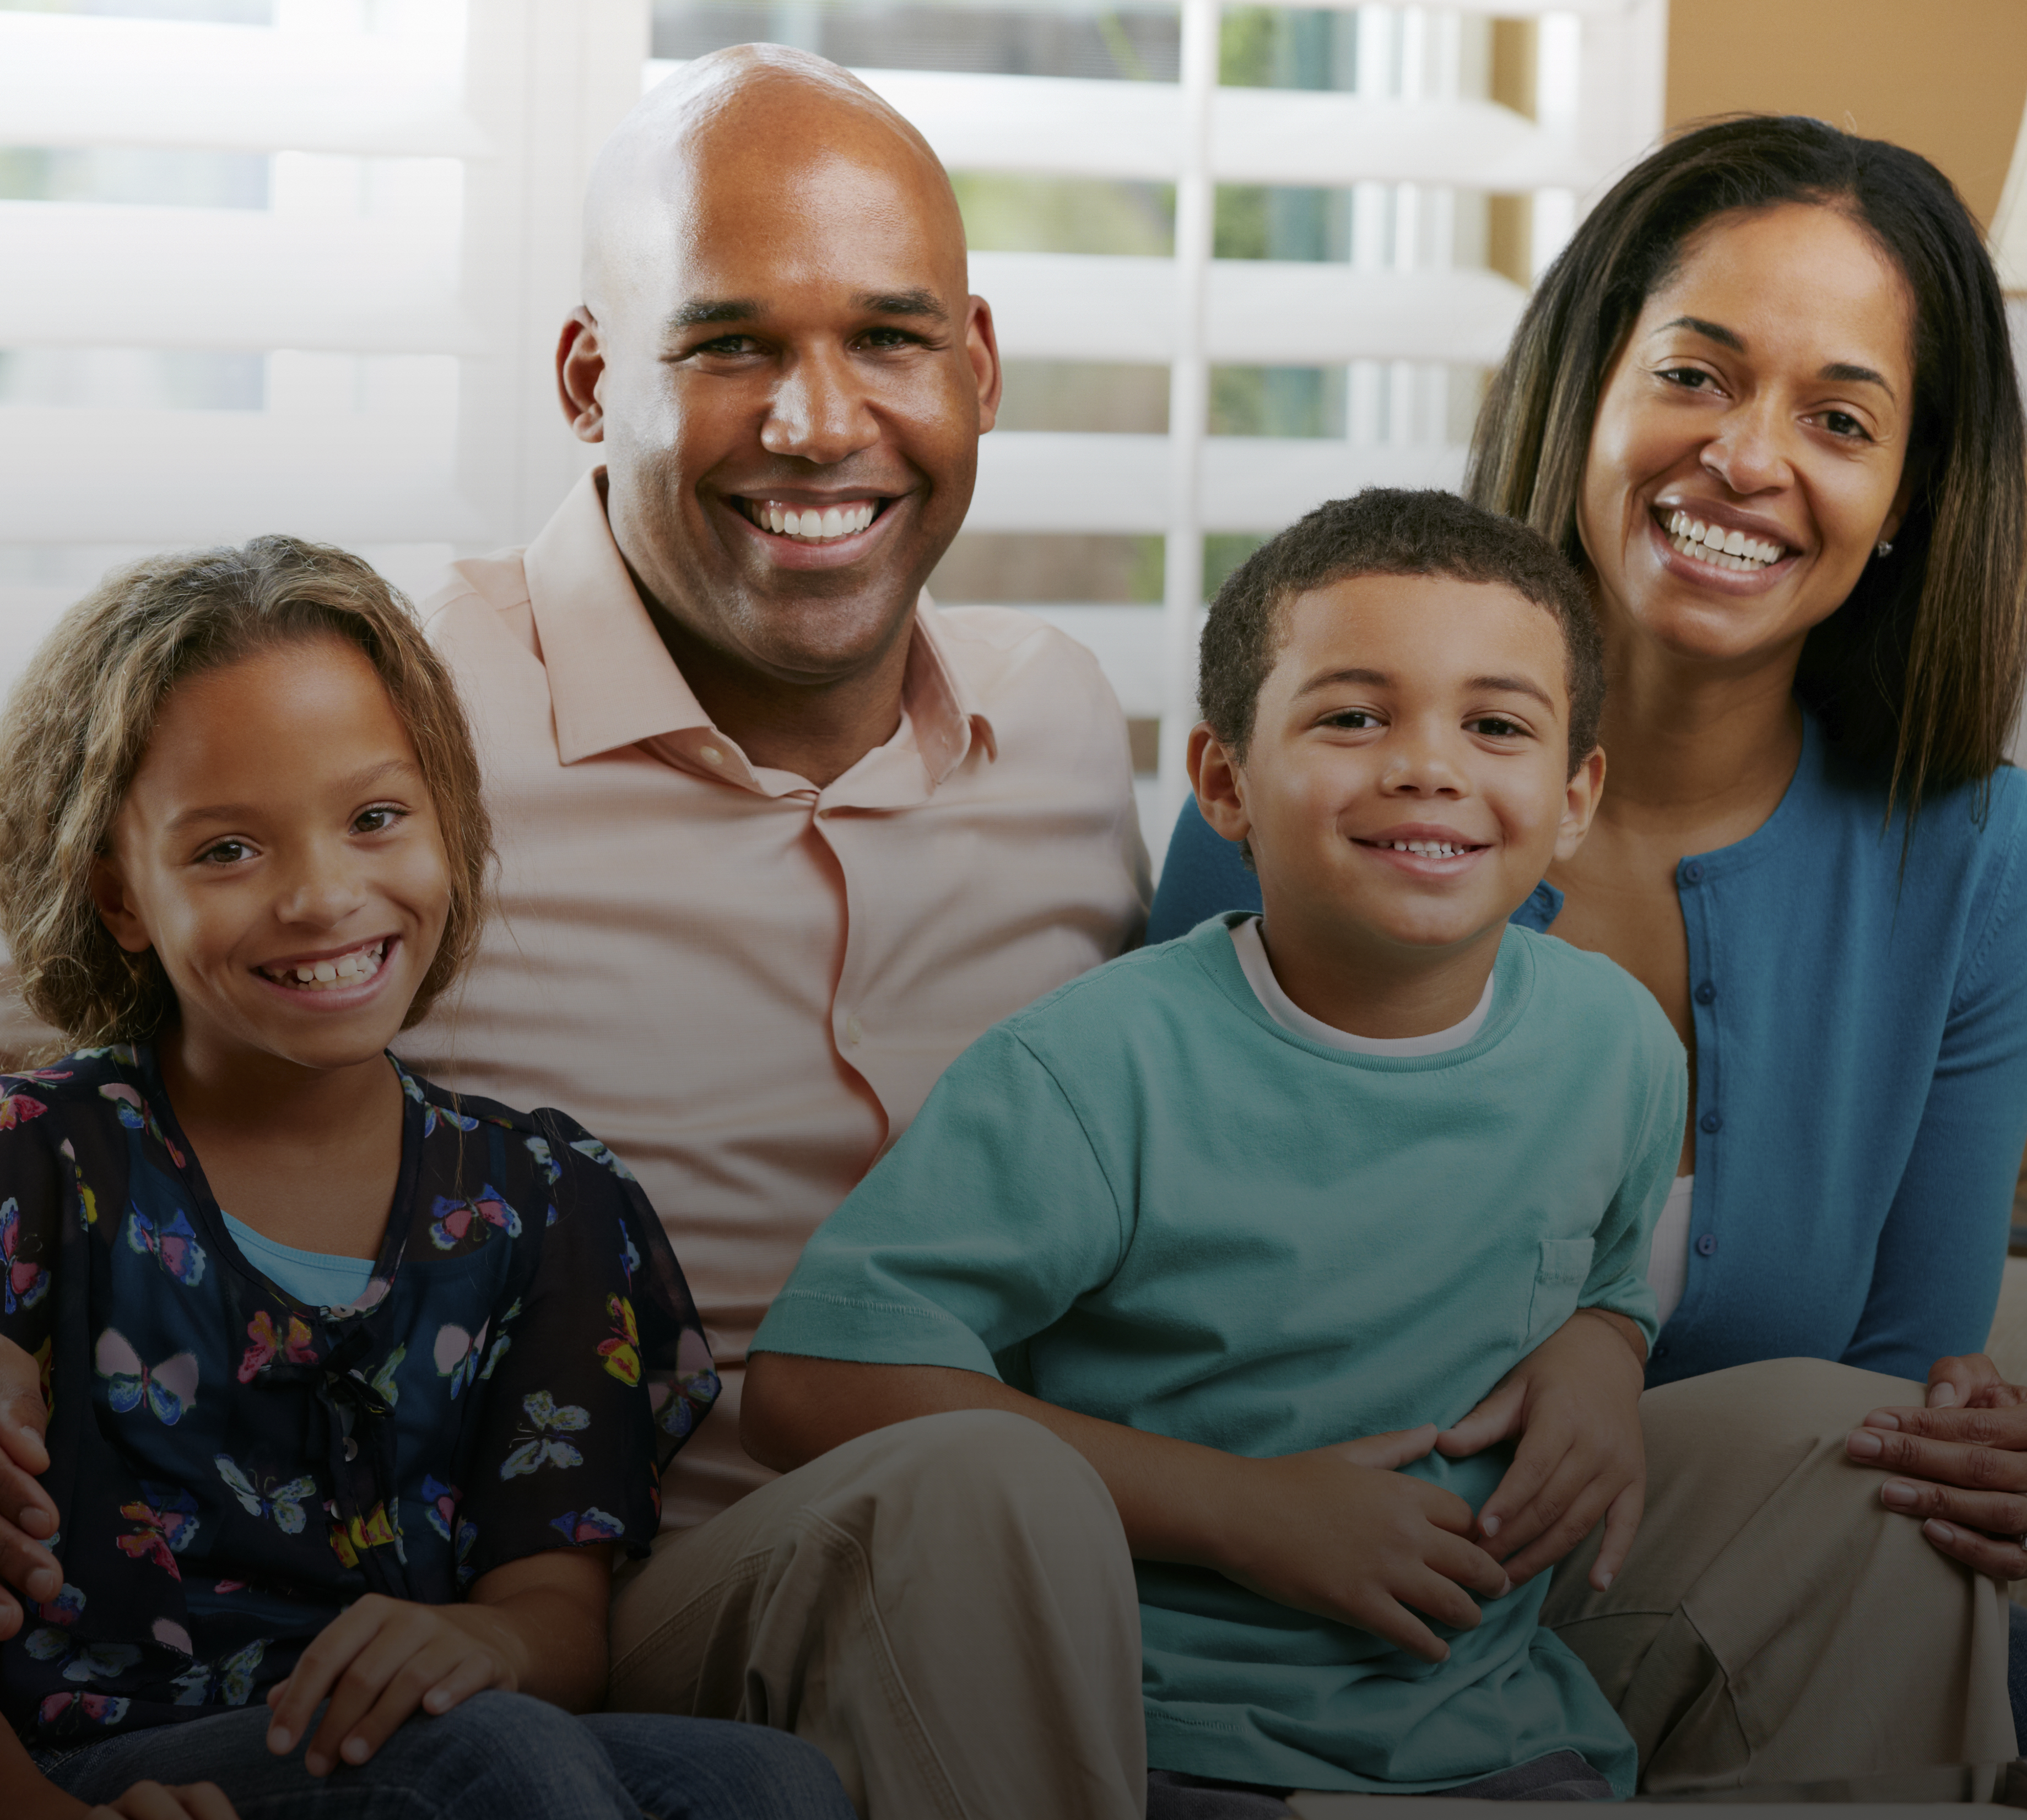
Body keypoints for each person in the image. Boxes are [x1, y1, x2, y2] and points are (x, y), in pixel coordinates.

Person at [0, 43, 1152, 1820]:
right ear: (591, 378)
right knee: (972, 1487)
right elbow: (71, 1000)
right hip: (637, 1573)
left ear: (978, 366)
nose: (819, 420)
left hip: (992, 1562)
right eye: (729, 343)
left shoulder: (1059, 724)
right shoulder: (373, 719)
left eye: (890, 339)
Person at [1145, 114, 2027, 1790]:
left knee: (1891, 1487)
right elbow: (1171, 1288)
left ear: (1909, 496)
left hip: (1686, 1586)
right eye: (1696, 375)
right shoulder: (1310, 767)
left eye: (1840, 419)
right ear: (1588, 391)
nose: (1750, 459)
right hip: (1295, 1577)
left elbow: (1902, 1391)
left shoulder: (1976, 857)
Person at [743, 490, 1687, 1817]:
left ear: (1574, 795)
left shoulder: (1615, 1045)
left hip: (1490, 1730)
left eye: (1495, 725)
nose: (1428, 765)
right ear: (1223, 783)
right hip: (1146, 1725)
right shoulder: (1094, 1068)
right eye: (1353, 715)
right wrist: (1244, 1510)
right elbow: (810, 1382)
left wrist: (1608, 1343)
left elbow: (1599, 1272)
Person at [0, 539, 851, 1820]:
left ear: (447, 820)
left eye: (376, 818)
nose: (323, 895)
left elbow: (555, 1616)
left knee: (771, 1781)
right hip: (110, 1765)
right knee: (499, 1758)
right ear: (123, 894)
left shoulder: (546, 1195)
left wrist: (496, 1644)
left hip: (449, 1733)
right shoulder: (38, 1159)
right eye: (228, 849)